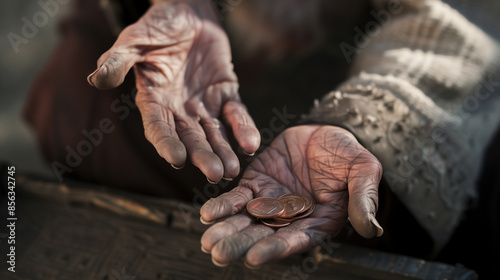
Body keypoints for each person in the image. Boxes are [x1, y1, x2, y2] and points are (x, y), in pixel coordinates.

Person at [24, 0, 500, 274]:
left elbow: (456, 26)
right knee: (78, 101)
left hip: (351, 62)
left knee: (377, 210)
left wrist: (357, 122)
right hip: (179, 48)